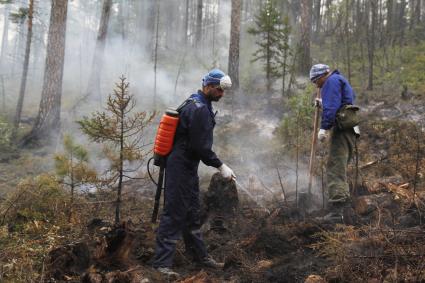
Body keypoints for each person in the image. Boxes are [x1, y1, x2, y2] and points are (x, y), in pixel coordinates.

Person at [152, 69, 236, 278]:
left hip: (186, 166)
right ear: (207, 86)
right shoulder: (199, 109)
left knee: (191, 212)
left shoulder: (196, 102)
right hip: (180, 166)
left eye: (223, 91)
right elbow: (201, 147)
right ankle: (160, 264)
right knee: (174, 213)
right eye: (219, 90)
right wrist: (220, 166)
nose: (221, 94)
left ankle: (200, 257)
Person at [309, 64, 359, 219]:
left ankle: (338, 211)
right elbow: (345, 101)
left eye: (315, 81)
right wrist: (323, 103)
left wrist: (324, 128)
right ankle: (343, 207)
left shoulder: (330, 82)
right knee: (339, 165)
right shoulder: (339, 79)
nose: (316, 84)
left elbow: (332, 108)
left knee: (335, 165)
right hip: (349, 128)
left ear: (322, 76)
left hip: (343, 129)